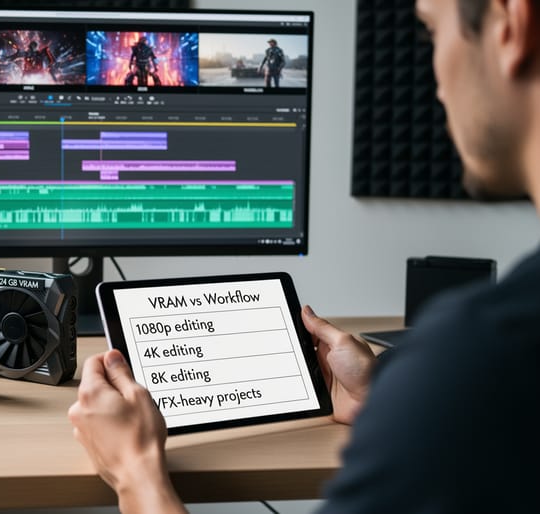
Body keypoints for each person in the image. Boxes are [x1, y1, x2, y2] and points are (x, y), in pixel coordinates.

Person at [68, 0, 540, 512]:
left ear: (512, 23)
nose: (436, 82)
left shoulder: (482, 357)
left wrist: (135, 473)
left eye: (430, 31)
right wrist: (383, 395)